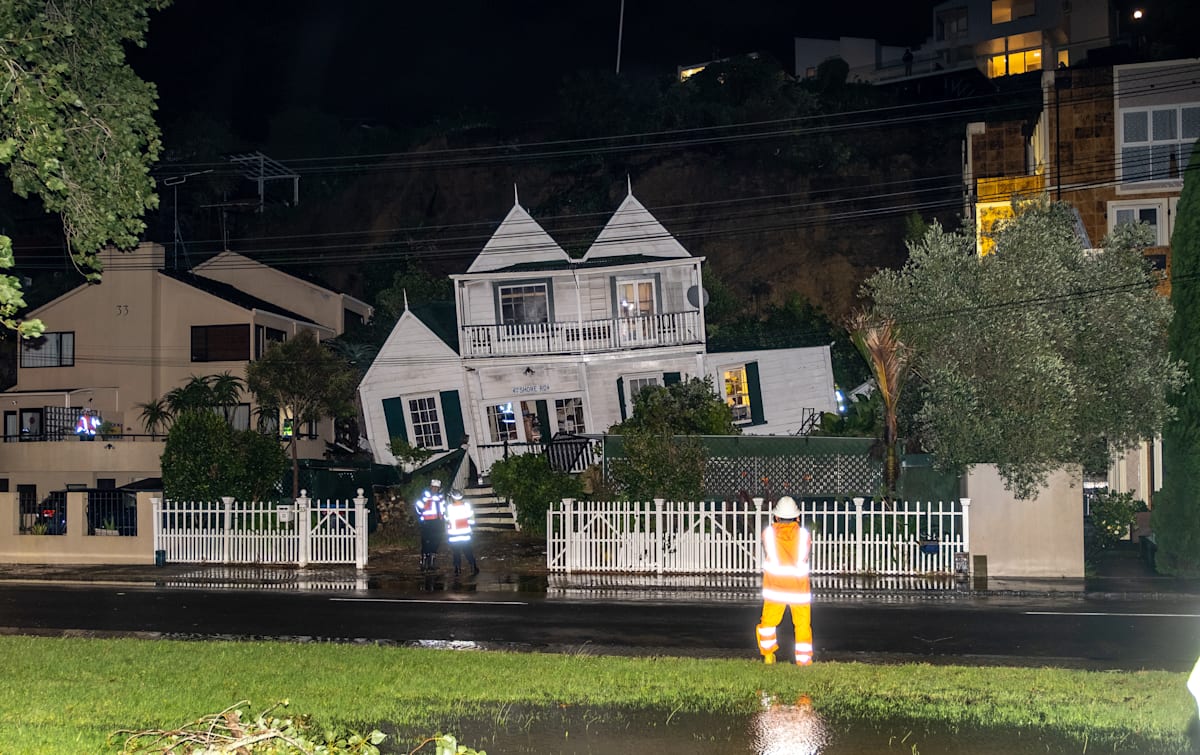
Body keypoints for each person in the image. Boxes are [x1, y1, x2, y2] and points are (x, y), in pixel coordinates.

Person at [756, 496, 814, 665]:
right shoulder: (804, 535)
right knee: (802, 625)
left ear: (776, 516)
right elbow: (803, 554)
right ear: (797, 517)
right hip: (799, 590)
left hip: (775, 589)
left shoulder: (768, 534)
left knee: (768, 623)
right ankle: (804, 660)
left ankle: (768, 655)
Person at [444, 489, 480, 576]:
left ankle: (457, 569)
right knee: (468, 550)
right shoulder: (466, 506)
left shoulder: (449, 508)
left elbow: (446, 519)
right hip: (465, 534)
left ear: (452, 498)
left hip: (453, 535)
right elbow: (472, 520)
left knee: (456, 552)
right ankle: (473, 566)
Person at [414, 478, 446, 571]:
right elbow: (418, 507)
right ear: (431, 487)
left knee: (435, 542)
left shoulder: (440, 498)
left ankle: (432, 562)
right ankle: (424, 562)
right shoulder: (425, 497)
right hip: (427, 523)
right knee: (426, 542)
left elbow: (443, 509)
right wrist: (422, 516)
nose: (435, 489)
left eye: (437, 488)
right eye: (434, 487)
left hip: (437, 522)